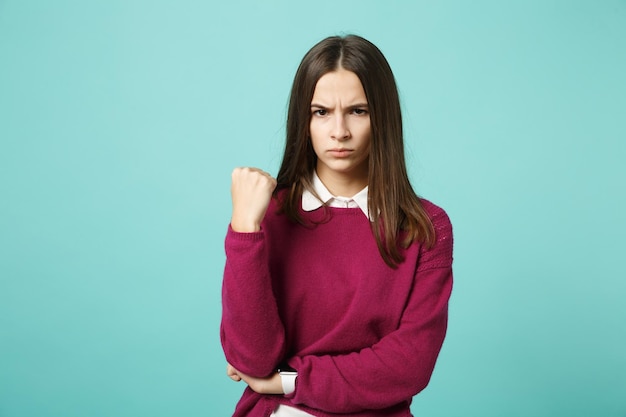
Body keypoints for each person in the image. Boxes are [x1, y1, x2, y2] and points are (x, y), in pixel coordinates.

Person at [221, 34, 453, 417]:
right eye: (321, 112)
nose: (339, 131)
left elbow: (409, 364)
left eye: (358, 111)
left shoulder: (424, 228)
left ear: (382, 117)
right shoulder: (266, 215)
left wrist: (288, 379)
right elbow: (252, 358)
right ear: (303, 120)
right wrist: (245, 228)